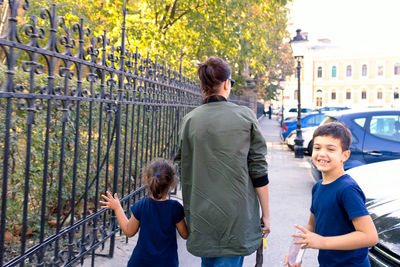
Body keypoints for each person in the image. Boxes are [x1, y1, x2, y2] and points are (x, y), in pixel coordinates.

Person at [174, 56, 270, 267]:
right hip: (236, 215)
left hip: (202, 214)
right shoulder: (244, 116)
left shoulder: (190, 120)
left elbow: (183, 166)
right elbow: (259, 169)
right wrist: (266, 215)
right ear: (226, 83)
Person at [284, 122, 378, 267]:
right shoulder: (317, 187)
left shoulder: (347, 189)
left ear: (345, 155)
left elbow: (370, 236)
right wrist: (295, 254)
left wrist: (322, 242)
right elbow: (311, 226)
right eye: (317, 147)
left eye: (331, 149)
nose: (322, 153)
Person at [100, 158, 188, 267]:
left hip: (140, 262)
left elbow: (129, 231)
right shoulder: (175, 208)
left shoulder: (141, 205)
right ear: (171, 183)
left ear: (147, 180)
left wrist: (118, 208)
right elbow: (185, 234)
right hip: (167, 263)